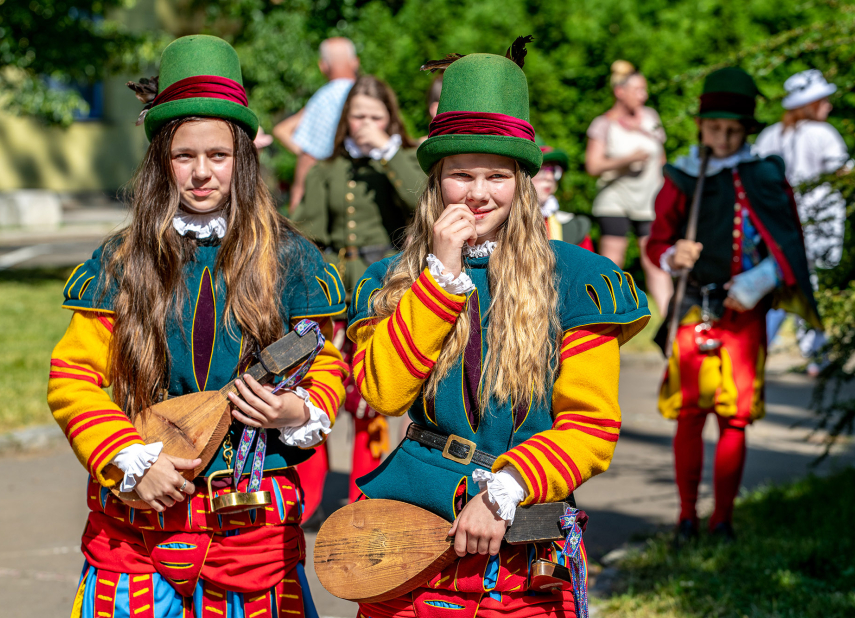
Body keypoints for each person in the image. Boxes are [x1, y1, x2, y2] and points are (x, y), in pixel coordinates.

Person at [48, 35, 348, 616]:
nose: (202, 173)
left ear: (244, 160)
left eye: (218, 156)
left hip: (252, 530)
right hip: (135, 525)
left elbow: (326, 362)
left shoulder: (292, 260)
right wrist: (130, 459)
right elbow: (73, 378)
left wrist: (297, 411)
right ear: (162, 162)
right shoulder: (120, 260)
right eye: (185, 156)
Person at [347, 45, 650, 618]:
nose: (479, 193)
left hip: (525, 528)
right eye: (461, 175)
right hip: (414, 514)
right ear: (436, 182)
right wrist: (439, 279)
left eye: (497, 176)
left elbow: (591, 426)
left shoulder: (580, 279)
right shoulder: (390, 280)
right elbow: (385, 396)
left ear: (524, 183)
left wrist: (505, 488)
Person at [646, 67, 821, 544]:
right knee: (688, 413)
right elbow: (656, 241)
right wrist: (670, 255)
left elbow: (790, 246)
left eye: (732, 129)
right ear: (701, 126)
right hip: (693, 313)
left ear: (746, 129)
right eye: (714, 127)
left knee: (734, 416)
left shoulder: (765, 174)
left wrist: (761, 278)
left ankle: (723, 519)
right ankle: (686, 517)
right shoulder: (681, 176)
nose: (722, 137)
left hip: (744, 316)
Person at [293, 74, 424, 509]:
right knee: (318, 383)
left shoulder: (403, 158)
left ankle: (361, 497)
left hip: (381, 283)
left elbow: (423, 202)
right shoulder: (327, 169)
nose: (365, 123)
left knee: (370, 395)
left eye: (374, 116)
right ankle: (308, 496)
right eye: (357, 115)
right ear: (345, 119)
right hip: (332, 286)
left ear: (389, 120)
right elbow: (306, 231)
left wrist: (387, 152)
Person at [754, 69, 849, 372]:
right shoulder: (823, 134)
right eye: (824, 100)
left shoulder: (771, 135)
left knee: (782, 282)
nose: (829, 106)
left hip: (779, 224)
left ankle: (758, 349)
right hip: (816, 224)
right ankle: (815, 357)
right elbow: (841, 171)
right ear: (810, 103)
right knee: (806, 286)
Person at [585, 60, 672, 315]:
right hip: (615, 200)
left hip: (649, 201)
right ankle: (606, 318)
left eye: (644, 90)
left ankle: (673, 322)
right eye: (637, 90)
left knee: (655, 261)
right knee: (613, 263)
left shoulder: (651, 118)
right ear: (619, 92)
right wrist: (627, 160)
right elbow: (593, 165)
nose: (643, 96)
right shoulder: (603, 124)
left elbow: (662, 158)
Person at [273, 37, 359, 211]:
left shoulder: (324, 99)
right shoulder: (372, 95)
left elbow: (308, 154)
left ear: (323, 66)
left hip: (333, 193)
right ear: (355, 62)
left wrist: (297, 197)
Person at [533, 137, 594, 249]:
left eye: (553, 170)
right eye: (541, 170)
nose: (550, 177)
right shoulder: (500, 225)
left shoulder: (573, 227)